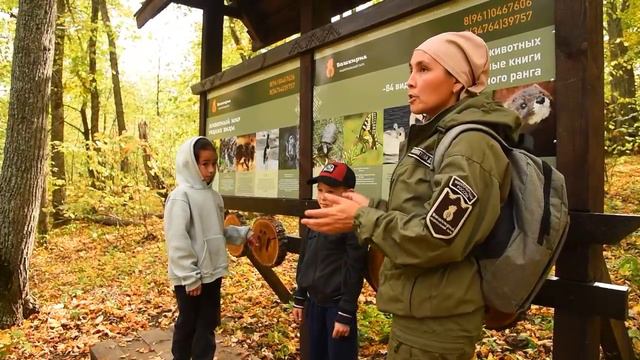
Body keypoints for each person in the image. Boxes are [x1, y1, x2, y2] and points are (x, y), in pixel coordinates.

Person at [301, 31, 521, 359]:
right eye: (410, 70)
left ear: (458, 81)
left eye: (423, 69)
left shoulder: (471, 146)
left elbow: (439, 237)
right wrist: (370, 206)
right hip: (421, 312)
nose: (410, 81)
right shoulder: (440, 137)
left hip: (438, 324)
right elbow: (422, 214)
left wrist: (362, 218)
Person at [164, 136, 255, 360]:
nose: (211, 169)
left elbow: (217, 232)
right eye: (205, 164)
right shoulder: (180, 197)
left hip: (213, 273)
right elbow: (177, 239)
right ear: (190, 164)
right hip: (191, 278)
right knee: (188, 324)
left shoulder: (214, 197)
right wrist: (190, 276)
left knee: (207, 323)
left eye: (214, 163)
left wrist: (243, 234)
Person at [293, 161, 367, 360]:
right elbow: (305, 258)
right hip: (313, 303)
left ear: (348, 194)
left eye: (331, 192)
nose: (323, 197)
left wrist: (345, 313)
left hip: (336, 307)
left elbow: (355, 269)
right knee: (314, 353)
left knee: (338, 355)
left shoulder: (352, 227)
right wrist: (300, 296)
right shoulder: (316, 220)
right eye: (320, 190)